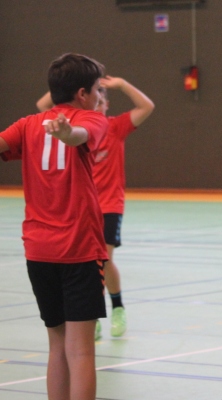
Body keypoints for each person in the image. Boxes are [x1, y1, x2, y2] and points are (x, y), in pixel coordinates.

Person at [0, 53, 109, 400]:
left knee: (56, 345)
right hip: (77, 249)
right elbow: (79, 135)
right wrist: (67, 133)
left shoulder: (28, 124)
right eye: (96, 90)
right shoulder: (92, 117)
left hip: (38, 250)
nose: (98, 97)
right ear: (81, 93)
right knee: (80, 351)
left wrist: (67, 133)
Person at [37, 75, 154, 340]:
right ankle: (92, 315)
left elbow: (147, 107)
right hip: (82, 205)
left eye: (102, 99)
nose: (98, 102)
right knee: (88, 262)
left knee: (104, 258)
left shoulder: (115, 127)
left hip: (110, 204)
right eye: (94, 96)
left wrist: (122, 84)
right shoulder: (75, 131)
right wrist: (66, 83)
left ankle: (117, 307)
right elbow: (43, 106)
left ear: (106, 104)